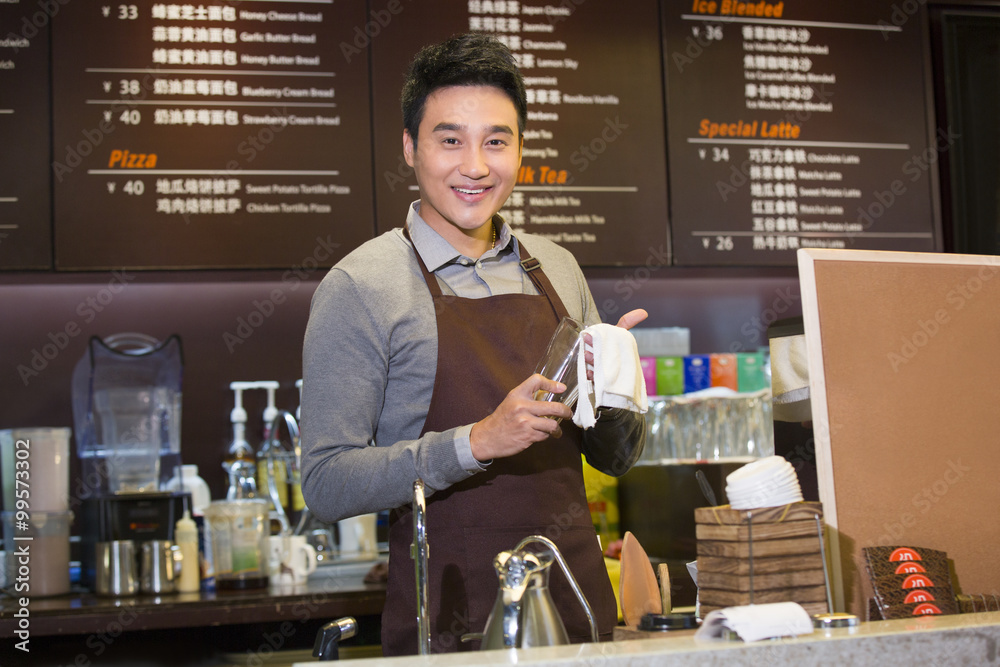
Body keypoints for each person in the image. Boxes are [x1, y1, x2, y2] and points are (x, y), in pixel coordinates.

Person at [300, 33, 647, 656]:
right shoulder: (361, 285)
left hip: (577, 612)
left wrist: (615, 390)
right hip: (451, 622)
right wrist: (478, 441)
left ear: (520, 149)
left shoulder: (559, 269)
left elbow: (612, 461)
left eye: (496, 140)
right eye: (450, 139)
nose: (476, 165)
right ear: (410, 147)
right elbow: (326, 483)